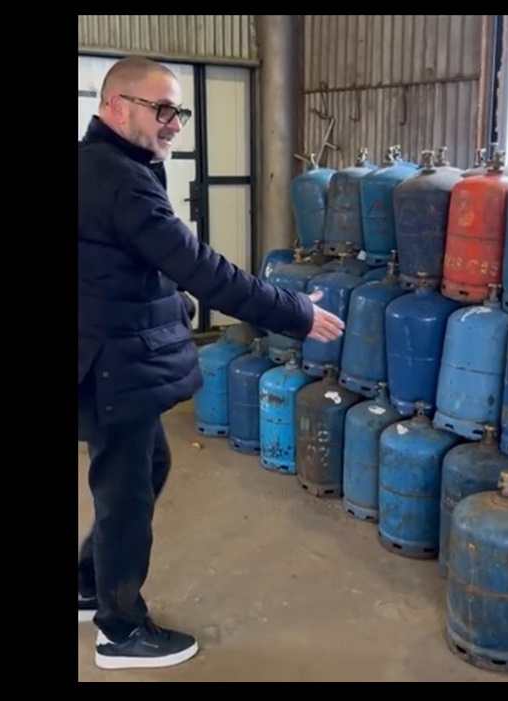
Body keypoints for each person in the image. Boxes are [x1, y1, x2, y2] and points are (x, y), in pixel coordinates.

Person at [77, 56, 345, 671]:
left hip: (108, 355)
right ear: (115, 106)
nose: (174, 123)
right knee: (126, 495)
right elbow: (202, 268)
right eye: (161, 109)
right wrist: (296, 313)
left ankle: (89, 582)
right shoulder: (119, 178)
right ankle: (121, 632)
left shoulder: (100, 166)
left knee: (148, 466)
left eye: (180, 111)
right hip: (113, 364)